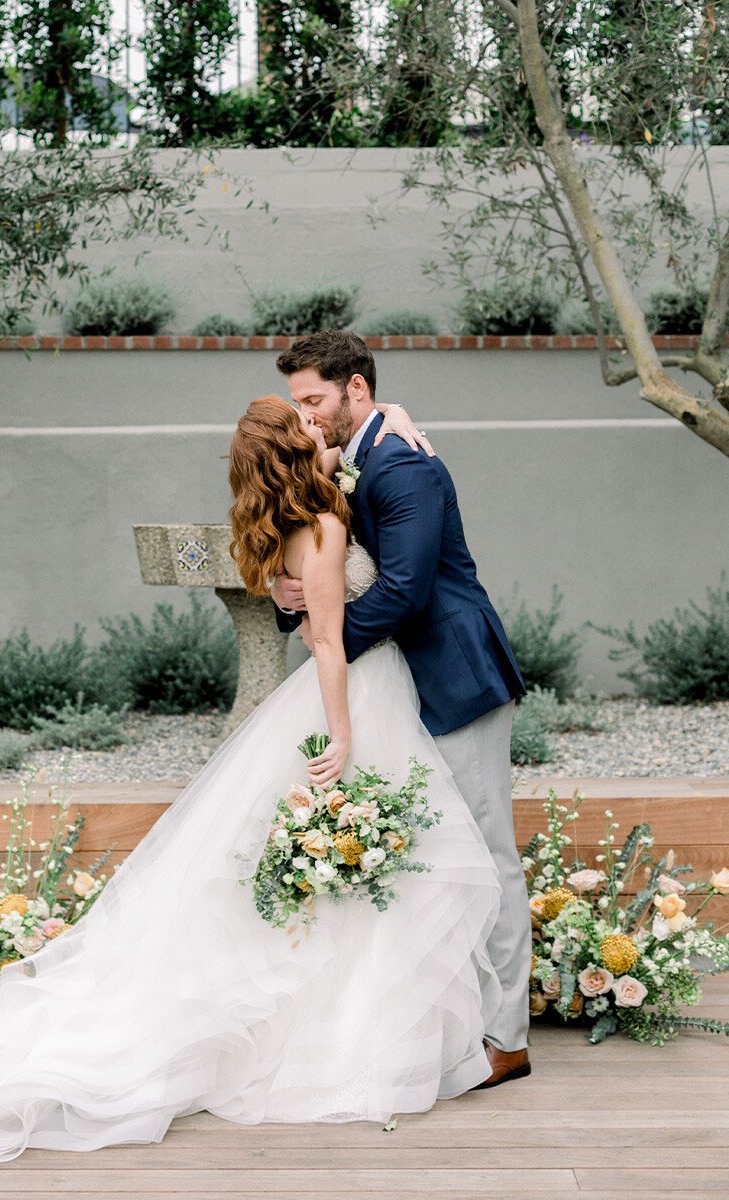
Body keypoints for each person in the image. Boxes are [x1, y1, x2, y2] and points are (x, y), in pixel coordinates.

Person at [0, 395, 505, 1164]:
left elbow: (337, 466)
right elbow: (330, 645)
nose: (317, 425)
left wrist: (393, 411)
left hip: (354, 689)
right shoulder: (327, 527)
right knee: (377, 863)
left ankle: (355, 1019)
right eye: (303, 423)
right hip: (356, 698)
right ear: (295, 453)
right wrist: (341, 737)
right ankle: (353, 1033)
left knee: (347, 871)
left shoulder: (297, 516)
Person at [270, 330, 530, 1087]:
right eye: (298, 405)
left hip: (455, 678)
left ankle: (506, 1039)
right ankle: (446, 1021)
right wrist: (298, 600)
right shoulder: (353, 457)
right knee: (429, 857)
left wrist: (326, 638)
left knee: (487, 856)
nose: (308, 419)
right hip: (400, 687)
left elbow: (407, 590)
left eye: (315, 400)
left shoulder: (403, 464)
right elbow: (331, 571)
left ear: (356, 389)